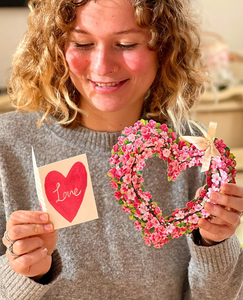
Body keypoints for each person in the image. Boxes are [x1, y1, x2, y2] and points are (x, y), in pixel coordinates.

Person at [0, 0, 243, 299]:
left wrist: (213, 244)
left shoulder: (195, 150)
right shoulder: (7, 145)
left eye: (127, 44)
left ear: (164, 49)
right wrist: (25, 273)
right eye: (82, 42)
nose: (102, 66)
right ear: (56, 47)